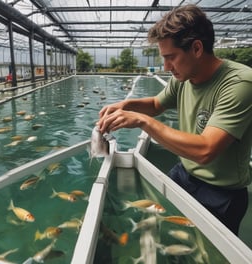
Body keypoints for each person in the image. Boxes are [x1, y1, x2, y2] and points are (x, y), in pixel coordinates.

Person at [97, 4, 252, 235]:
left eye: (171, 57)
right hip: (183, 172)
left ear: (197, 48)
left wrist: (142, 121)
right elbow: (157, 104)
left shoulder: (240, 83)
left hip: (221, 193)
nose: (166, 66)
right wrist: (126, 105)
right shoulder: (183, 77)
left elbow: (206, 150)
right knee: (161, 229)